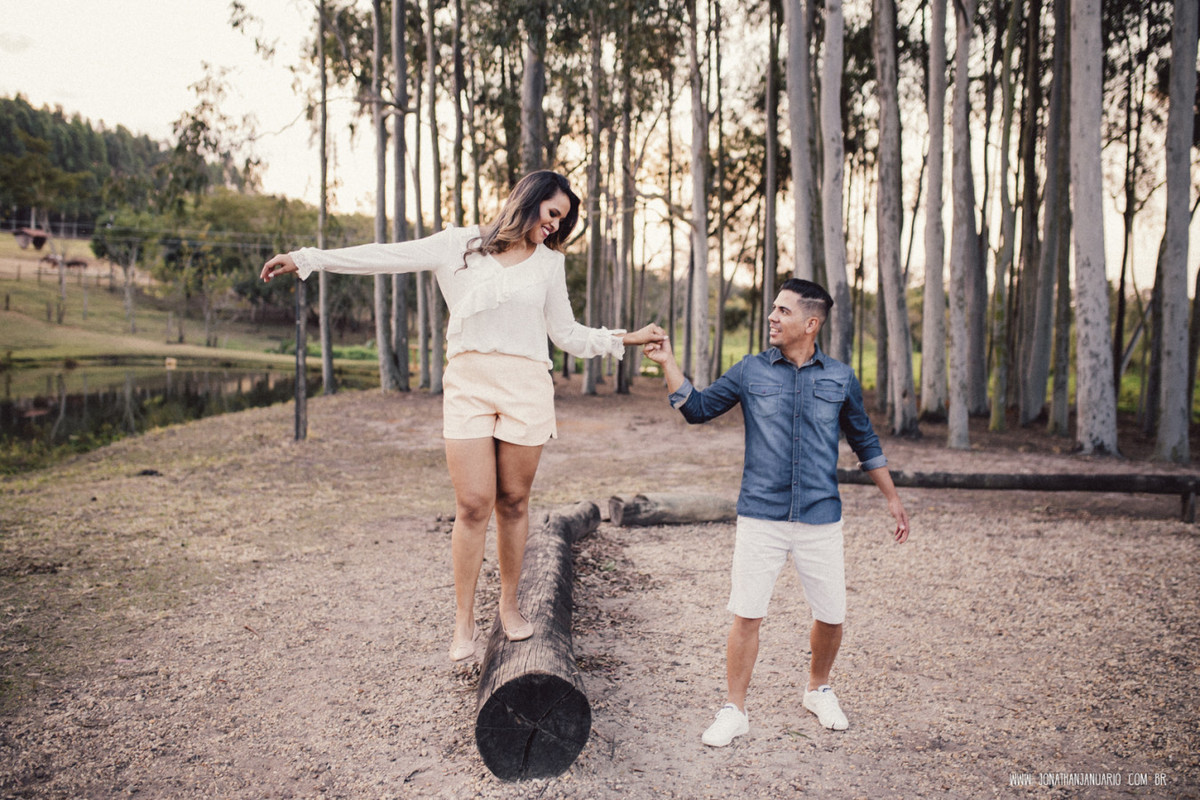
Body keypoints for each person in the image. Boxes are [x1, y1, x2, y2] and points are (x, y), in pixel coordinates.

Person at [261, 170, 666, 662]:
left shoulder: (549, 266)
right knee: (474, 504)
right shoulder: (458, 245)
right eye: (552, 213)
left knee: (514, 502)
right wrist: (306, 259)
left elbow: (567, 334)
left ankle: (510, 607)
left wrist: (626, 338)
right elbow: (384, 256)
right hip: (469, 385)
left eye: (563, 220)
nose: (556, 226)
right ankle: (463, 620)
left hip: (526, 387)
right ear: (529, 199)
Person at [642, 277, 909, 747]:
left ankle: (817, 689)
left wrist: (891, 497)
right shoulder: (750, 371)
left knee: (831, 614)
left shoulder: (840, 378)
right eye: (773, 309)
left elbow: (864, 440)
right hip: (760, 515)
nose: (772, 317)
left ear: (811, 323)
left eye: (783, 311)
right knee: (747, 613)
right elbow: (697, 408)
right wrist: (668, 362)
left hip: (820, 516)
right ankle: (734, 710)